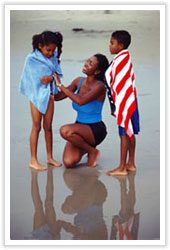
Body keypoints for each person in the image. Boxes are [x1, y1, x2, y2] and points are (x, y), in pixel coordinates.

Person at [54, 54, 109, 168]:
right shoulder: (78, 81)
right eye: (87, 60)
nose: (86, 64)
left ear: (97, 71)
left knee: (65, 131)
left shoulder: (100, 87)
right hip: (79, 128)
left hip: (95, 129)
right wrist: (48, 83)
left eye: (90, 63)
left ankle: (93, 152)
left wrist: (60, 84)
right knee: (69, 162)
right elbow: (58, 97)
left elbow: (81, 101)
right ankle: (88, 149)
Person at [19, 30, 63, 171]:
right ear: (40, 46)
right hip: (36, 95)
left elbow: (57, 74)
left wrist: (50, 78)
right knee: (36, 126)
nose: (51, 53)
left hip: (49, 95)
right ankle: (33, 159)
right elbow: (32, 79)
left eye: (53, 50)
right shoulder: (31, 59)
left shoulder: (54, 56)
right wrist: (49, 78)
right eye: (48, 50)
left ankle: (50, 157)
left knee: (48, 127)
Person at [105, 30, 140, 176]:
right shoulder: (124, 58)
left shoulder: (121, 60)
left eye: (112, 43)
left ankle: (121, 167)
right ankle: (130, 163)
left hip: (125, 102)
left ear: (121, 45)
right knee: (129, 132)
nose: (109, 45)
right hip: (130, 99)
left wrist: (120, 105)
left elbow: (117, 83)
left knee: (124, 133)